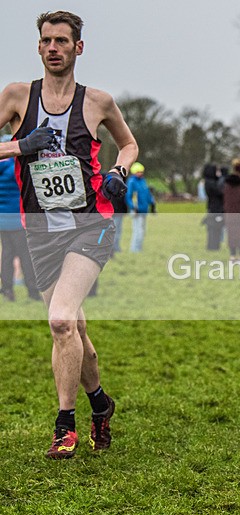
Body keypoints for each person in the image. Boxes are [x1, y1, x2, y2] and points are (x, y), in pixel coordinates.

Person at [0, 10, 137, 458]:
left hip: (90, 227)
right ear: (38, 47)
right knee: (74, 328)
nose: (54, 47)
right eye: (46, 40)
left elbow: (130, 143)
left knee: (60, 321)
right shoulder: (18, 96)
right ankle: (101, 403)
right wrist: (20, 145)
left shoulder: (97, 101)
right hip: (40, 232)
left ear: (79, 48)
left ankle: (65, 425)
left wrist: (119, 170)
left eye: (62, 40)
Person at [0, 136, 39, 301]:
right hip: (18, 218)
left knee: (7, 255)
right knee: (25, 255)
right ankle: (32, 290)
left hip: (2, 220)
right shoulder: (16, 167)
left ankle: (7, 289)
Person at [125, 161, 154, 253]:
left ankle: (139, 248)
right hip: (136, 210)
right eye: (138, 172)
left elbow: (147, 194)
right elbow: (128, 196)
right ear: (134, 172)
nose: (140, 173)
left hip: (144, 210)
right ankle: (134, 250)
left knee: (142, 231)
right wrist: (133, 207)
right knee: (138, 231)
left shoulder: (143, 181)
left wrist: (152, 203)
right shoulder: (131, 182)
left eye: (141, 171)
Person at [202, 163, 225, 251]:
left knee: (215, 228)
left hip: (213, 207)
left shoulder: (209, 181)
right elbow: (219, 192)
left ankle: (214, 245)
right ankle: (213, 246)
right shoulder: (210, 183)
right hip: (215, 207)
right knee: (214, 228)